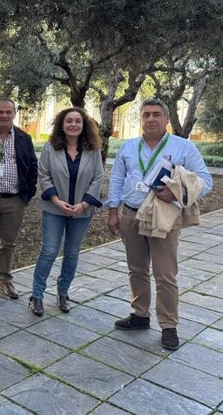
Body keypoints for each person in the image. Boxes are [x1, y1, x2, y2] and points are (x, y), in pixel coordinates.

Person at [107, 99, 212, 350]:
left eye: (156, 115)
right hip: (131, 215)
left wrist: (176, 193)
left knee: (165, 274)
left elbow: (206, 182)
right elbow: (116, 180)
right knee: (137, 269)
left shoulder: (183, 147)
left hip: (163, 217)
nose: (151, 119)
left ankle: (168, 326)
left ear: (166, 119)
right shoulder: (128, 148)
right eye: (146, 115)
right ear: (141, 120)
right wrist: (113, 211)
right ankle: (139, 315)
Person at [30, 107, 103, 316]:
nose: (73, 125)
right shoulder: (50, 148)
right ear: (62, 125)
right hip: (54, 209)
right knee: (49, 251)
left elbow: (98, 177)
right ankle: (37, 295)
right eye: (69, 121)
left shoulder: (93, 150)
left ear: (84, 125)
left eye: (77, 121)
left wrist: (84, 205)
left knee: (71, 253)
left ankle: (63, 293)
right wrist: (56, 201)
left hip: (82, 210)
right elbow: (43, 176)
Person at [0, 98, 38, 300]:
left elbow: (32, 166)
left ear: (14, 114)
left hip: (14, 200)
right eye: (0, 112)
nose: (4, 116)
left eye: (8, 112)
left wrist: (27, 195)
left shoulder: (23, 138)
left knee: (8, 243)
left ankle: (5, 279)